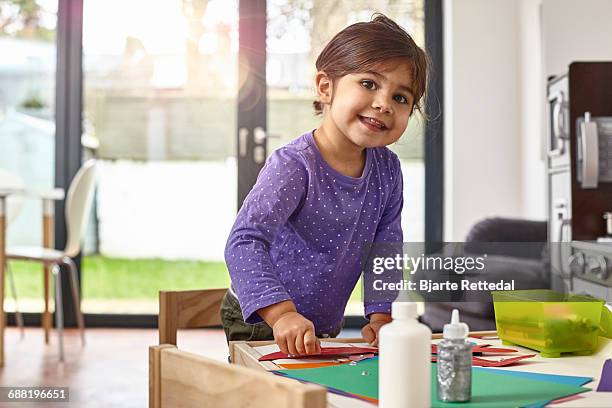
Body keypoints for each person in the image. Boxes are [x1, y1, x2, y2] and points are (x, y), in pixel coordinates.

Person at [222, 13, 428, 356]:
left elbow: (384, 251)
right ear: (326, 87)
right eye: (369, 84)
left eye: (401, 98)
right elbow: (244, 241)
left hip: (321, 323)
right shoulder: (295, 165)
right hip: (261, 318)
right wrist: (282, 314)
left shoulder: (388, 170)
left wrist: (381, 316)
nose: (384, 104)